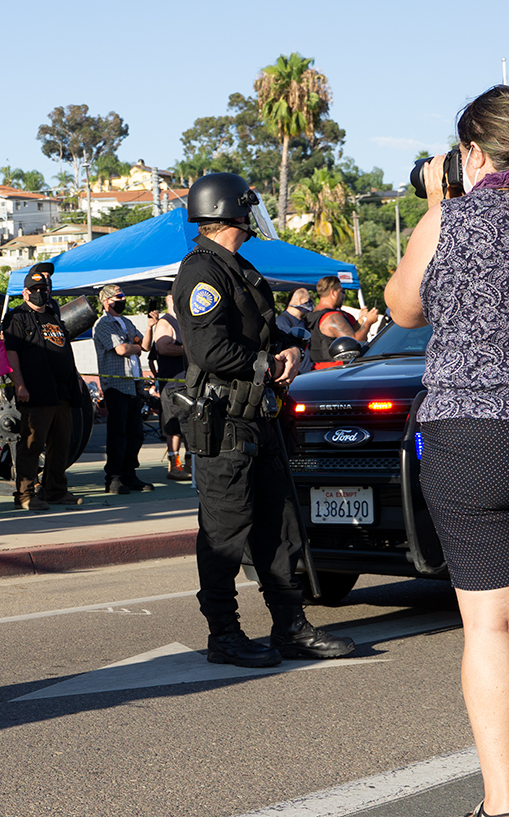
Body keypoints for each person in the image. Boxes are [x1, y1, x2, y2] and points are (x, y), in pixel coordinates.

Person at [384, 86, 509, 817]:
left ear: (472, 151)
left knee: (488, 626)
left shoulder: (449, 219)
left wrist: (437, 204)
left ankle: (500, 801)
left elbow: (404, 309)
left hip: (466, 433)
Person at [173, 171, 353, 669]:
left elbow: (264, 332)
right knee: (225, 533)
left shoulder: (238, 267)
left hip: (260, 420)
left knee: (280, 528)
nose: (255, 215)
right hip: (225, 423)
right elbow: (208, 349)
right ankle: (225, 635)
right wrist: (266, 364)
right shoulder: (201, 272)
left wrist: (290, 350)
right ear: (232, 209)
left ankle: (290, 627)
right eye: (248, 206)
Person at [2, 262, 83, 509]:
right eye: (34, 288)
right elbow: (11, 353)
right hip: (36, 391)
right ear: (25, 292)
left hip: (62, 392)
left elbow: (64, 350)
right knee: (31, 444)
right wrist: (20, 385)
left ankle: (56, 491)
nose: (40, 292)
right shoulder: (16, 317)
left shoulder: (53, 316)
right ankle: (25, 496)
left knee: (60, 443)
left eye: (43, 288)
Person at [93, 283, 151, 494]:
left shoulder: (126, 322)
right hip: (117, 385)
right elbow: (121, 349)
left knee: (135, 433)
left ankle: (129, 474)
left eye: (123, 296)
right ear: (106, 301)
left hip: (134, 384)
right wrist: (134, 347)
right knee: (118, 433)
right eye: (118, 297)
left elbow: (144, 345)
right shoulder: (103, 324)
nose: (123, 299)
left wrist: (150, 326)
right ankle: (114, 477)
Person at [147, 293, 191, 481]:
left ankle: (190, 463)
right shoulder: (166, 323)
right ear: (171, 299)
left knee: (189, 426)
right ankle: (175, 466)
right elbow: (163, 347)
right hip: (173, 385)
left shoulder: (182, 321)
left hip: (187, 383)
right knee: (174, 427)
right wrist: (189, 350)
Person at [306, 275, 378, 369]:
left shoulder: (313, 315)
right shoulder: (333, 317)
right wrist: (369, 322)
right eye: (341, 291)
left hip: (317, 368)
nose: (342, 295)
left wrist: (359, 322)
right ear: (333, 292)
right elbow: (354, 342)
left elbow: (344, 333)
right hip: (335, 369)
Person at [273, 289, 315, 377]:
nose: (310, 303)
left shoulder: (304, 321)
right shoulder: (282, 321)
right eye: (308, 300)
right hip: (297, 375)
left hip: (308, 373)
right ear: (300, 300)